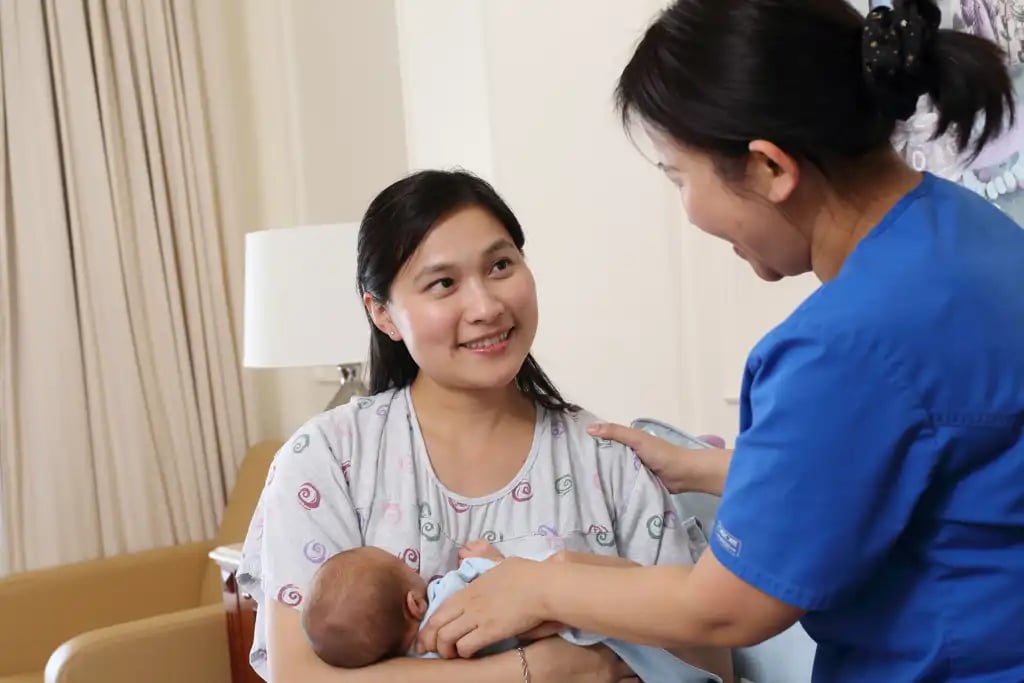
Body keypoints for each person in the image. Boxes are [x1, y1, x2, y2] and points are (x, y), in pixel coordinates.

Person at [415, 1, 1024, 681]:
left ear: (769, 167)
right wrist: (702, 468)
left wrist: (541, 584)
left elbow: (725, 609)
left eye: (680, 175)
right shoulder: (974, 234)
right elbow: (903, 462)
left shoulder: (842, 346)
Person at [236, 169, 733, 682]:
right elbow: (302, 677)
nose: (486, 307)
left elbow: (711, 662)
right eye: (443, 283)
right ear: (382, 313)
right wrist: (546, 669)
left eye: (500, 265)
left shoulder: (606, 457)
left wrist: (573, 586)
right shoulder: (327, 459)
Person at [301, 541, 723, 682]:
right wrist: (491, 559)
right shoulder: (450, 592)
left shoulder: (412, 662)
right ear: (414, 603)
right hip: (593, 637)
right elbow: (511, 585)